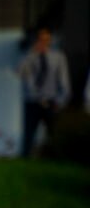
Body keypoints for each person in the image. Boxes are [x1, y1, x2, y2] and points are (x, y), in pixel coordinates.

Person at [19, 28, 71, 157]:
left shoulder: (57, 57)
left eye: (46, 40)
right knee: (29, 135)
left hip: (51, 101)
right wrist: (31, 54)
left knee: (54, 134)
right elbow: (21, 73)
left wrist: (60, 100)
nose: (43, 42)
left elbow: (63, 80)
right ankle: (25, 160)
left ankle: (56, 158)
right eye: (40, 40)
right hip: (32, 101)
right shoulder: (29, 57)